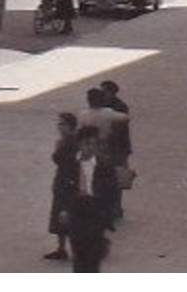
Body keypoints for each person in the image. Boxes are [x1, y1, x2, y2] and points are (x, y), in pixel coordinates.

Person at [82, 87, 130, 225]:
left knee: (89, 180)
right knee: (109, 181)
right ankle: (111, 210)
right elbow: (125, 118)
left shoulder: (84, 114)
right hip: (105, 150)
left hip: (88, 150)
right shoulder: (108, 113)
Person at [67, 127, 112, 271]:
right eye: (87, 144)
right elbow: (62, 187)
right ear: (79, 144)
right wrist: (63, 209)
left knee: (93, 256)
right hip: (76, 211)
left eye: (93, 144)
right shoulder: (69, 163)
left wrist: (105, 215)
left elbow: (110, 192)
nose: (90, 148)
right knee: (78, 254)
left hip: (95, 211)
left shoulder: (103, 165)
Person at [44, 113, 80, 261]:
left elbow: (62, 161)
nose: (59, 127)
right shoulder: (69, 141)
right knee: (65, 215)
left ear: (69, 126)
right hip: (66, 181)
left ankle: (64, 248)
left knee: (66, 214)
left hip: (68, 182)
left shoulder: (70, 142)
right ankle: (64, 248)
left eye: (62, 124)